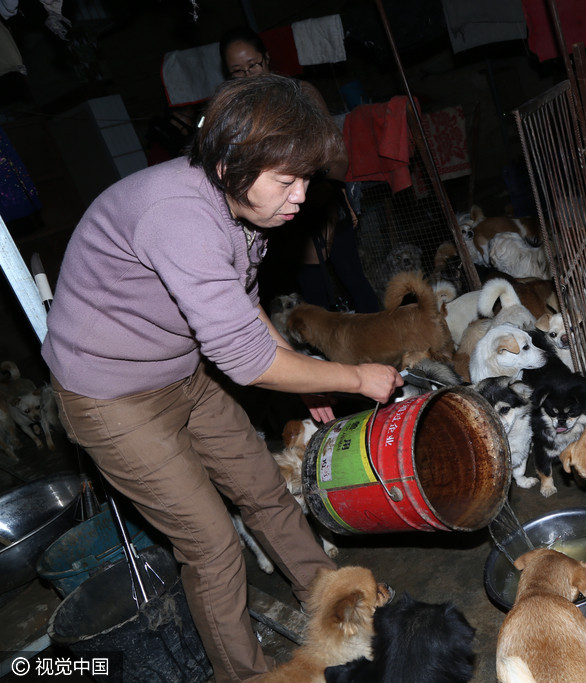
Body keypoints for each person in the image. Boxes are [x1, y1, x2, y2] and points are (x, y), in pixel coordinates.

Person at [41, 75, 403, 682]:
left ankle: (337, 604)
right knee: (210, 544)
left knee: (263, 487)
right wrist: (351, 376)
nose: (299, 196)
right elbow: (246, 359)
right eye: (286, 181)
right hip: (112, 396)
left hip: (184, 367)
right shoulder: (179, 215)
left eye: (307, 180)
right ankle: (248, 676)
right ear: (233, 160)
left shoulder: (239, 208)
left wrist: (307, 377)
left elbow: (244, 310)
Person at [220, 26, 380, 313]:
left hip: (319, 199)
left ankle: (387, 348)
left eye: (253, 65)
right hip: (278, 213)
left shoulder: (300, 93)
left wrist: (328, 196)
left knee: (353, 280)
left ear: (267, 58)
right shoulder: (238, 112)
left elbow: (333, 150)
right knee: (313, 294)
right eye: (237, 71)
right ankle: (326, 358)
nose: (248, 75)